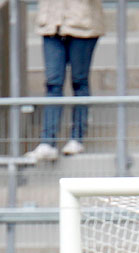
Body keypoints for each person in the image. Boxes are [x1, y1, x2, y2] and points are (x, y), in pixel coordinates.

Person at [25, 0, 105, 162]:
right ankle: (48, 142)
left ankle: (77, 138)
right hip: (51, 24)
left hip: (82, 23)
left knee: (79, 81)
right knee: (53, 83)